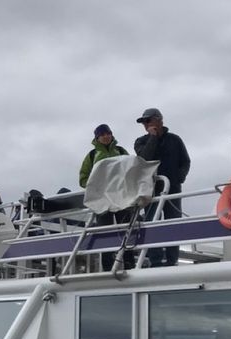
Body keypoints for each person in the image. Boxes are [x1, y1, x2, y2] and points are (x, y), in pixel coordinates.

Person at [133, 108, 191, 266]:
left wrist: (179, 178)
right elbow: (144, 158)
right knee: (152, 224)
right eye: (144, 122)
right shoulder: (140, 142)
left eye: (148, 120)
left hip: (173, 189)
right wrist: (152, 138)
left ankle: (172, 260)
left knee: (173, 224)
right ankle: (156, 261)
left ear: (159, 120)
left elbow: (185, 161)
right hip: (151, 190)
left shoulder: (175, 140)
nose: (146, 124)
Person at [79, 124, 132, 271]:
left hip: (122, 197)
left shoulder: (121, 151)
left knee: (126, 229)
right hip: (102, 199)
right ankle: (108, 267)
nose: (106, 136)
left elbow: (131, 170)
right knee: (105, 233)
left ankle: (129, 263)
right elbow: (83, 179)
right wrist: (96, 185)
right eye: (102, 134)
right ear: (97, 138)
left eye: (108, 133)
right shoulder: (92, 155)